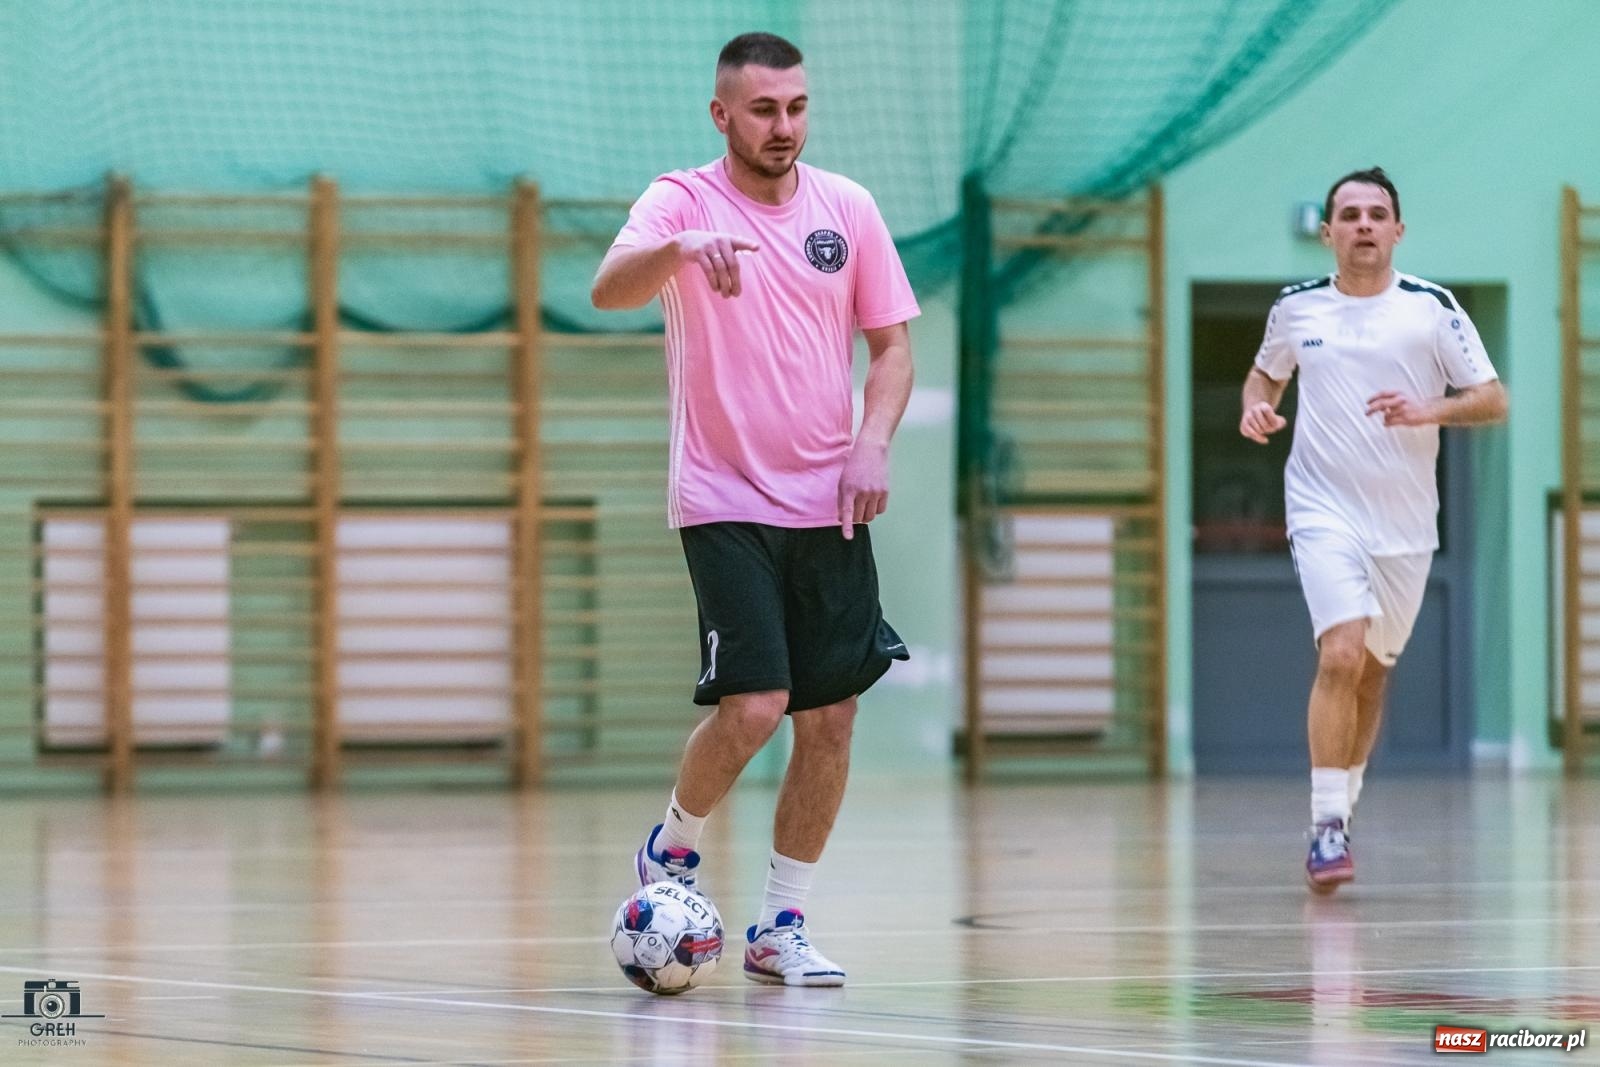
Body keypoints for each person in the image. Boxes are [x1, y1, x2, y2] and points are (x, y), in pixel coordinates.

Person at [590, 31, 918, 984]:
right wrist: (679, 249)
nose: (784, 126)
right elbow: (608, 289)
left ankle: (781, 924)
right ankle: (672, 848)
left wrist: (872, 440)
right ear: (722, 114)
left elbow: (892, 348)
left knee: (831, 717)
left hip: (830, 501)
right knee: (757, 704)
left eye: (797, 107)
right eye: (765, 109)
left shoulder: (848, 208)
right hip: (723, 495)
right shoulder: (680, 200)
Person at [1239, 166, 1507, 893]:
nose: (1363, 224)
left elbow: (1492, 398)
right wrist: (1256, 405)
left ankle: (1345, 800)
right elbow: (1266, 375)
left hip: (1405, 525)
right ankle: (1326, 825)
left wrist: (1431, 409)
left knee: (1373, 672)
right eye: (1350, 214)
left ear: (1397, 230)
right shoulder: (1296, 307)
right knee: (1341, 654)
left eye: (1376, 214)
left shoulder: (1431, 308)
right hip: (1322, 509)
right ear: (1328, 231)